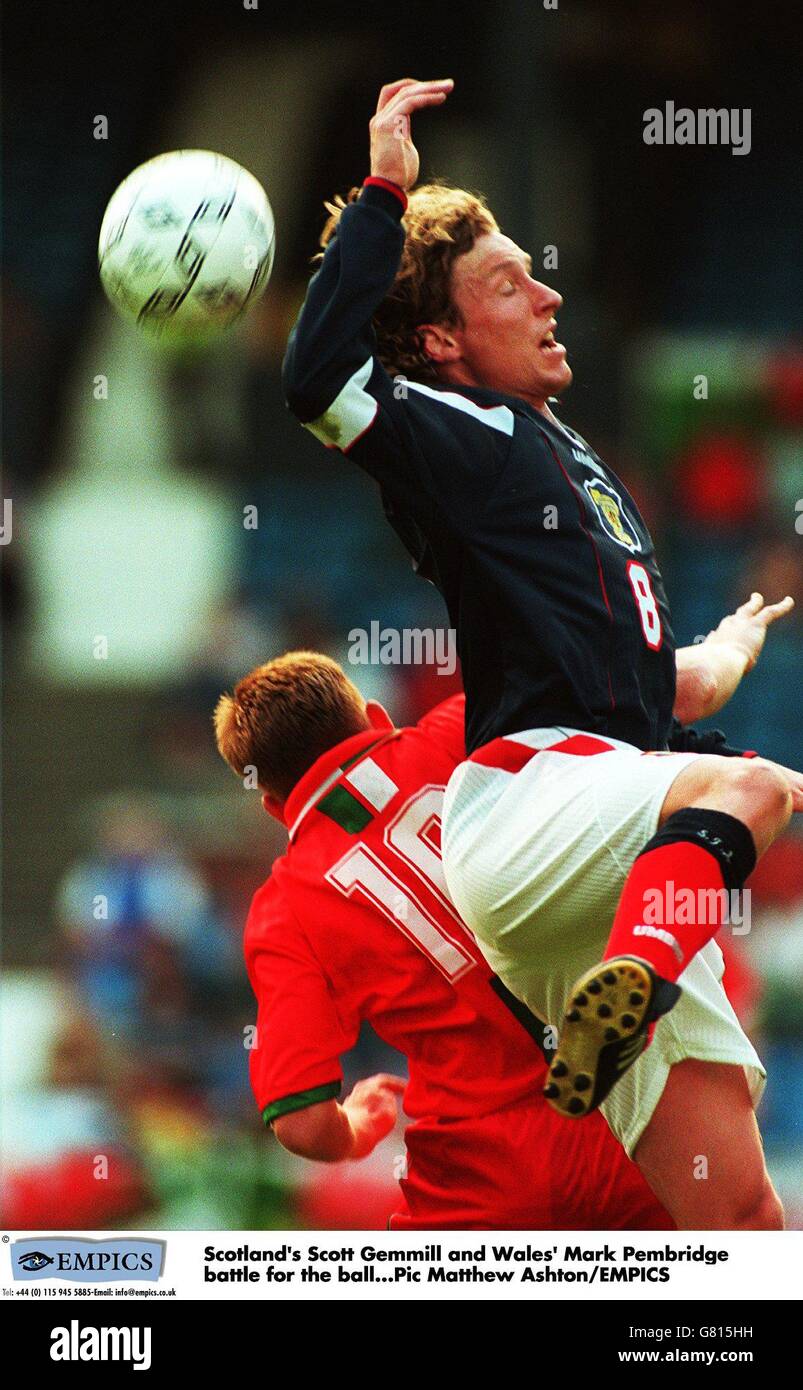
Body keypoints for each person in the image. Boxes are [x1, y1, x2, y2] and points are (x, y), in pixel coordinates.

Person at [281, 78, 802, 1226]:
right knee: (756, 785)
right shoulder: (452, 429)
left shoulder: (557, 453)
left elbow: (660, 690)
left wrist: (719, 650)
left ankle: (624, 989)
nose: (548, 292)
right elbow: (317, 382)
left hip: (601, 841)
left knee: (742, 1228)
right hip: (530, 808)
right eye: (508, 283)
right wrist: (381, 191)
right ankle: (637, 977)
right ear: (440, 339)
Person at [214, 652, 677, 1230]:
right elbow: (643, 692)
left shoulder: (282, 911)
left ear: (273, 806)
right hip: (643, 1118)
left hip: (483, 1173)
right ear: (377, 718)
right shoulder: (462, 727)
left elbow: (303, 1123)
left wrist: (354, 1131)